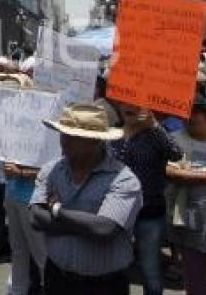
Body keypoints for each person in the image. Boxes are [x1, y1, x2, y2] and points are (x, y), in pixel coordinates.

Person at [30, 102, 143, 295]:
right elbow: (35, 217)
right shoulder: (52, 169)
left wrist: (57, 210)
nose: (64, 140)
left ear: (96, 141)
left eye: (73, 137)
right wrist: (84, 225)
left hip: (103, 286)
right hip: (57, 278)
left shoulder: (123, 179)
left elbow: (104, 228)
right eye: (63, 134)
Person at [109, 102, 182, 295]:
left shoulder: (156, 134)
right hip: (118, 211)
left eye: (136, 105)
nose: (130, 107)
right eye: (126, 103)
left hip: (150, 211)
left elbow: (176, 154)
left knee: (150, 269)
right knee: (116, 267)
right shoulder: (113, 133)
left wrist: (154, 126)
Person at [165, 99, 206, 295]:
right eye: (186, 113)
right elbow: (169, 171)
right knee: (195, 276)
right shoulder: (173, 139)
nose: (189, 117)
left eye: (196, 112)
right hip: (191, 217)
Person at [3, 161, 45, 295]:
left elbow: (51, 170)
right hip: (12, 196)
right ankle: (16, 290)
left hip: (34, 201)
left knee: (42, 254)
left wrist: (21, 173)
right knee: (18, 250)